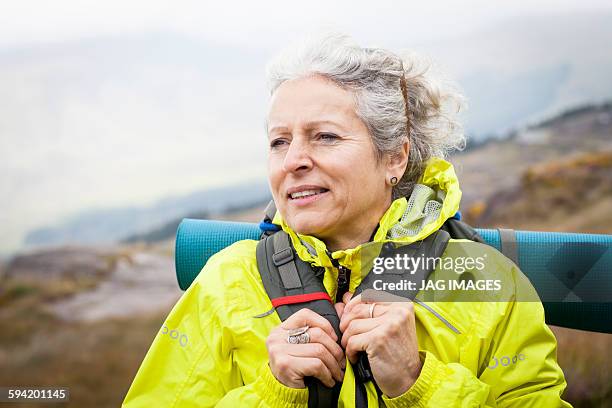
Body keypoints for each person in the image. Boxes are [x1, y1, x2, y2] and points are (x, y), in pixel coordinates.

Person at [122, 32, 571, 407]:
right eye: (279, 142)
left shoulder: (487, 282)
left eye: (325, 137)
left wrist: (417, 383)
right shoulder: (224, 283)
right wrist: (273, 394)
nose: (294, 160)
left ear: (394, 156)